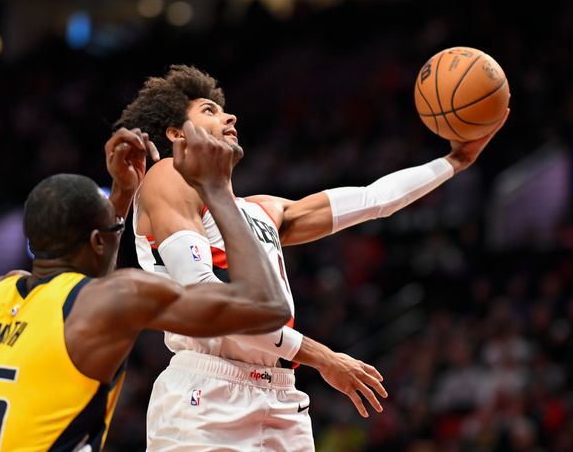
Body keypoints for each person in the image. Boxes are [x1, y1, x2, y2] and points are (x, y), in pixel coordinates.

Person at [114, 64, 508, 451]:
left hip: (281, 395)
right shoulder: (168, 176)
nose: (229, 114)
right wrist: (322, 357)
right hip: (208, 394)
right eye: (209, 110)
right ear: (176, 133)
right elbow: (205, 297)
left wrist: (454, 162)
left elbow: (376, 199)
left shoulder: (263, 210)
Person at [0, 125, 292, 452]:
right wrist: (217, 190)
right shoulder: (119, 297)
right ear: (98, 241)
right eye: (113, 229)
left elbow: (79, 289)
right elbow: (266, 306)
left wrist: (123, 193)